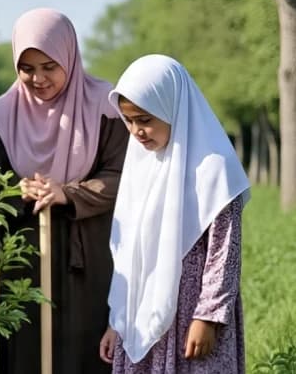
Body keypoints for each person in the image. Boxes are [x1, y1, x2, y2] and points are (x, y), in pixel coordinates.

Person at [0, 8, 128, 374]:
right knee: (27, 351)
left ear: (69, 56)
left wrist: (68, 193)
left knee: (86, 351)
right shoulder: (1, 114)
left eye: (49, 66)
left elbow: (121, 176)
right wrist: (17, 190)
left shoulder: (105, 107)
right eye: (27, 68)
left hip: (90, 258)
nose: (38, 78)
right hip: (26, 258)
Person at [99, 54, 249, 372]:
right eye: (129, 121)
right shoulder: (140, 166)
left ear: (173, 109)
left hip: (193, 315)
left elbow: (225, 253)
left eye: (145, 119)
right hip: (142, 313)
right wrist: (117, 322)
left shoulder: (213, 169)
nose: (137, 131)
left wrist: (208, 316)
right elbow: (128, 255)